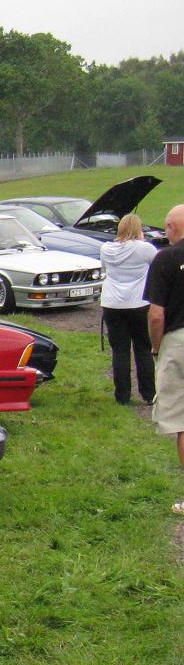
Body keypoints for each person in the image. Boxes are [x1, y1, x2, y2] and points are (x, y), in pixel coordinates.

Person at [145, 204, 184, 514]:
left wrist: (156, 349)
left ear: (172, 227)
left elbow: (157, 314)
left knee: (182, 422)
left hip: (178, 339)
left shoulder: (166, 258)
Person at [98, 212, 157, 405]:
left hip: (113, 303)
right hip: (138, 303)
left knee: (120, 350)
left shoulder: (106, 249)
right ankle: (148, 394)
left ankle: (122, 396)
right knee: (143, 348)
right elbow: (156, 268)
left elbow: (105, 270)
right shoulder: (145, 249)